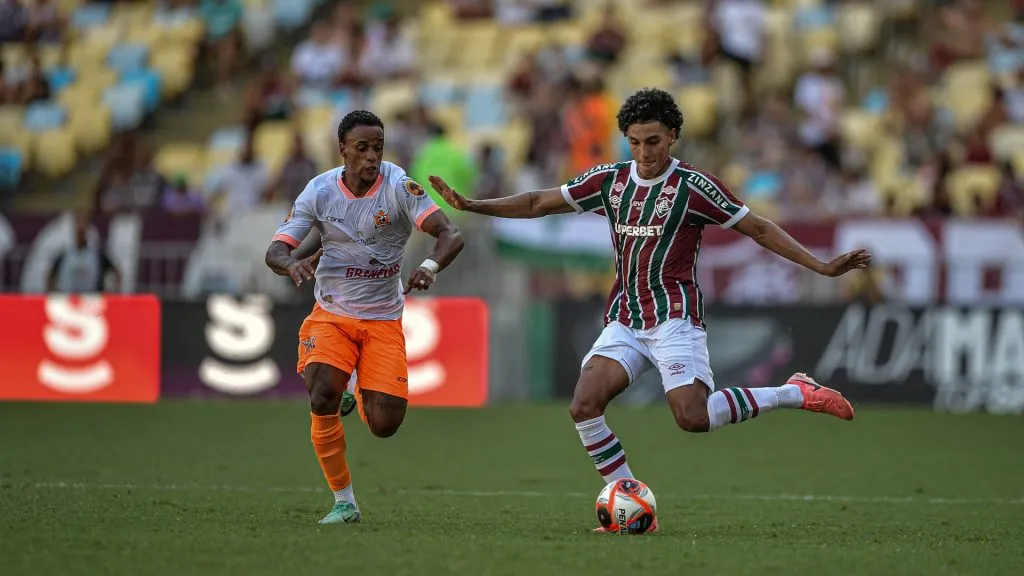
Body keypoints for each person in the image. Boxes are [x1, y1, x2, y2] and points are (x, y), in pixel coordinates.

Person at [428, 88, 871, 533]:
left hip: (674, 317)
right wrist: (472, 205)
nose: (644, 153)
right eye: (635, 142)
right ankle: (631, 504)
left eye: (653, 141)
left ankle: (793, 392)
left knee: (692, 418)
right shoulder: (610, 180)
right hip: (625, 318)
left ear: (673, 136)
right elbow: (537, 203)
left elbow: (758, 228)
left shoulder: (694, 187)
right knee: (584, 405)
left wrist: (821, 266)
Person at [264, 110, 464, 525]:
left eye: (378, 148)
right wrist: (292, 264)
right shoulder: (319, 191)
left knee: (384, 423)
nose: (372, 156)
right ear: (343, 150)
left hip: (383, 319)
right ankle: (345, 502)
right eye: (362, 148)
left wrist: (429, 267)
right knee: (322, 392)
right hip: (332, 314)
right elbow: (276, 251)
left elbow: (451, 234)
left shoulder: (399, 186)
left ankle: (353, 383)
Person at [47, 213, 121, 293]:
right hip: (68, 297)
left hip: (91, 298)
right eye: (78, 226)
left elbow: (116, 272)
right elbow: (50, 275)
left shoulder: (97, 256)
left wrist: (114, 292)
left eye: (83, 227)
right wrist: (52, 294)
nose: (80, 229)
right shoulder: (65, 255)